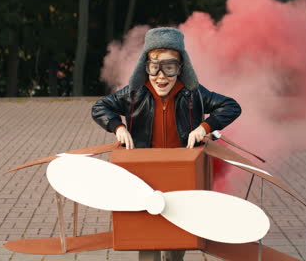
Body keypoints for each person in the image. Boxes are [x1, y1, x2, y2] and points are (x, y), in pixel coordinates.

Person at [91, 27, 241, 261]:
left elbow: (231, 106)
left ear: (181, 68)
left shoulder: (194, 94)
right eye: (154, 67)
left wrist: (205, 127)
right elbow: (100, 107)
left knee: (175, 239)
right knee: (147, 237)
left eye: (169, 68)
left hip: (179, 174)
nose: (161, 77)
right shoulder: (134, 94)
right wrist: (117, 127)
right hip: (145, 176)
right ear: (145, 66)